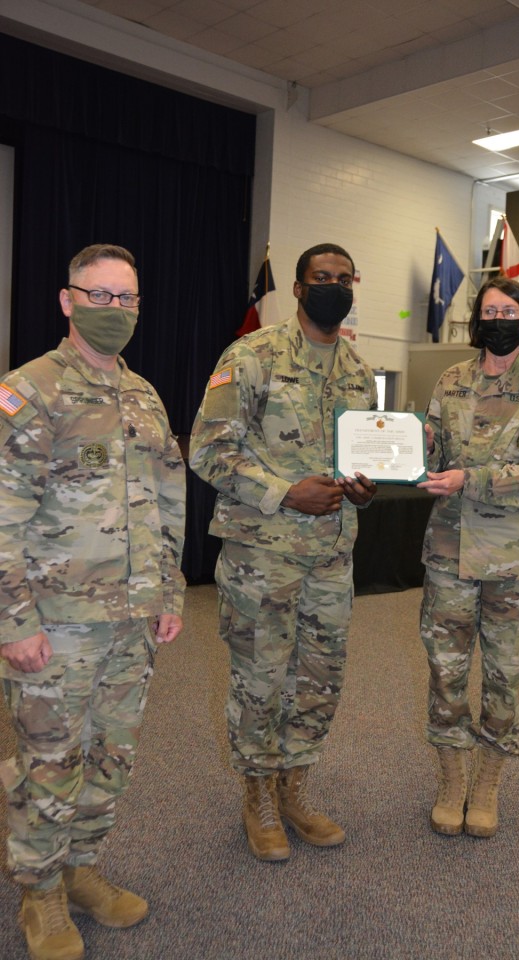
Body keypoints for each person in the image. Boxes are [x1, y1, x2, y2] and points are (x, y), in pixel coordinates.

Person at [0, 244, 186, 960]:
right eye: (100, 295)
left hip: (131, 622)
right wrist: (12, 621)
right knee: (51, 760)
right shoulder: (31, 390)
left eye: (127, 299)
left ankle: (82, 869)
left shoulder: (143, 394)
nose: (115, 310)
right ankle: (39, 893)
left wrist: (169, 591)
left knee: (112, 754)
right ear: (66, 299)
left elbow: (168, 502)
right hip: (55, 625)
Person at [189, 243, 377, 862]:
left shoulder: (357, 367)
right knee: (260, 680)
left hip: (331, 556)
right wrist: (284, 492)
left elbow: (364, 458)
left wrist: (366, 486)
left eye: (344, 278)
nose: (333, 286)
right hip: (261, 555)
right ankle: (259, 799)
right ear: (298, 288)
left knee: (319, 680)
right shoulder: (252, 356)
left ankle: (296, 788)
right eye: (321, 277)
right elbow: (209, 450)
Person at [418, 277, 519, 839]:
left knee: (507, 673)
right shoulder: (452, 379)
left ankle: (487, 780)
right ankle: (452, 777)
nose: (498, 319)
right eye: (489, 311)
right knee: (447, 669)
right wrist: (397, 451)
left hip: (514, 559)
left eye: (509, 311)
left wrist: (472, 479)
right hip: (449, 550)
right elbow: (430, 445)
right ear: (476, 322)